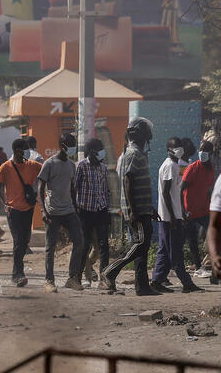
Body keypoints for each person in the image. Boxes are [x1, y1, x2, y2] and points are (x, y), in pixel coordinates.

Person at [103, 117, 158, 296]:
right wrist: (134, 210)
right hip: (136, 211)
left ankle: (142, 286)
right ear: (140, 134)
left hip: (143, 209)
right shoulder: (133, 153)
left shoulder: (138, 153)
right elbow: (128, 180)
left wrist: (150, 207)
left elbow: (140, 183)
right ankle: (110, 272)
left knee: (142, 246)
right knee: (141, 243)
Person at [151, 137, 202, 293]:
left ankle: (157, 280)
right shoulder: (170, 166)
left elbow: (175, 193)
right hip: (169, 217)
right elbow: (166, 193)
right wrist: (173, 216)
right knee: (175, 250)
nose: (180, 149)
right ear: (169, 149)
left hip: (172, 215)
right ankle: (187, 283)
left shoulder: (174, 165)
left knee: (165, 250)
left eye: (180, 146)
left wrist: (180, 213)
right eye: (176, 147)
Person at [36, 132, 85, 292]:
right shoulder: (49, 164)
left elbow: (72, 188)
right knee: (50, 247)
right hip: (52, 211)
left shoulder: (71, 165)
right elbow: (40, 187)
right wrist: (43, 210)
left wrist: (76, 209)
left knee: (79, 242)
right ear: (63, 147)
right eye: (70, 146)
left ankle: (72, 278)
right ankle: (49, 281)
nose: (72, 149)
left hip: (69, 210)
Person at [0, 138, 42, 287]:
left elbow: (47, 171)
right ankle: (17, 273)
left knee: (24, 240)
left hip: (28, 209)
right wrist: (4, 204)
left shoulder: (33, 165)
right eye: (25, 148)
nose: (28, 151)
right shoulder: (5, 167)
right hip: (13, 210)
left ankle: (17, 272)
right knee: (18, 241)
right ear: (17, 150)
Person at [75, 137, 112, 290]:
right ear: (91, 152)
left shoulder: (103, 167)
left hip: (101, 209)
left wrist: (108, 208)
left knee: (104, 245)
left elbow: (105, 189)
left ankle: (104, 278)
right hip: (86, 210)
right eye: (99, 150)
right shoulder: (81, 167)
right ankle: (80, 277)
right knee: (85, 245)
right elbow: (75, 188)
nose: (102, 153)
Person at [182, 140, 215, 276]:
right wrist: (182, 210)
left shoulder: (210, 168)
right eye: (201, 150)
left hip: (204, 210)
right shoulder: (192, 168)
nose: (202, 153)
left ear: (211, 153)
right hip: (190, 210)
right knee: (192, 239)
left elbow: (207, 188)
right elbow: (181, 189)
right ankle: (198, 266)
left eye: (205, 150)